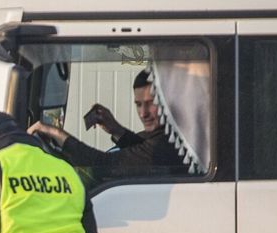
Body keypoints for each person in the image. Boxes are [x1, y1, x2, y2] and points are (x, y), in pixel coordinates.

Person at [28, 69, 186, 178]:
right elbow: (143, 147)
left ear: (168, 102)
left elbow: (103, 165)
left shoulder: (168, 144)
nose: (143, 113)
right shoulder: (169, 136)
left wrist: (57, 134)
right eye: (138, 104)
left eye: (151, 103)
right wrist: (115, 129)